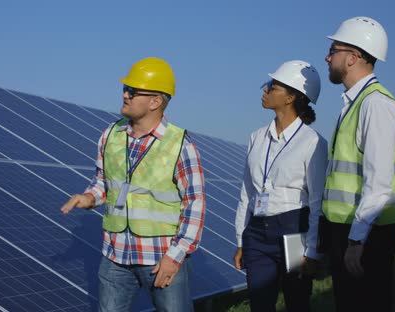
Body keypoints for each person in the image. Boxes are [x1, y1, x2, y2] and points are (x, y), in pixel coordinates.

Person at [60, 57, 205, 312]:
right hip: (116, 255)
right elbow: (103, 182)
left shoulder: (179, 144)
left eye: (133, 91)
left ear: (155, 101)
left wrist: (176, 255)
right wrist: (90, 198)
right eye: (125, 89)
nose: (125, 95)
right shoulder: (110, 135)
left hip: (160, 257)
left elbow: (194, 203)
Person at [322, 17, 395, 312]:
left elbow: (378, 183)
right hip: (351, 229)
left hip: (366, 232)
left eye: (333, 49)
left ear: (352, 58)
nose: (328, 57)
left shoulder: (375, 105)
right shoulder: (356, 103)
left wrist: (355, 243)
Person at [233, 60, 328, 312]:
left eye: (272, 86)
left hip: (294, 229)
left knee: (297, 302)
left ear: (291, 97)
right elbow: (247, 193)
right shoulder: (256, 137)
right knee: (260, 304)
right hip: (256, 233)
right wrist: (241, 240)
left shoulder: (313, 142)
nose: (265, 90)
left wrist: (312, 250)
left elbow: (317, 200)